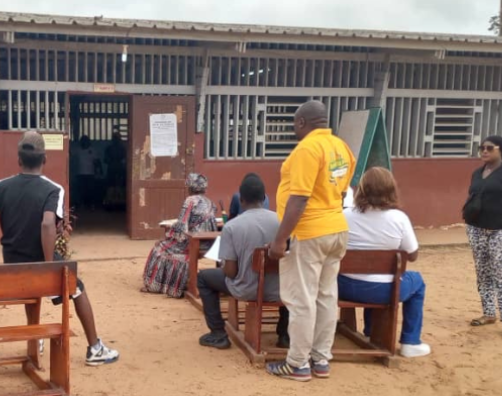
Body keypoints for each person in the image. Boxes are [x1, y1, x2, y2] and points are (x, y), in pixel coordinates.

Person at [0, 131, 119, 366]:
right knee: (78, 290)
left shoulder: (2, 186)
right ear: (44, 159)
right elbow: (47, 223)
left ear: (19, 160)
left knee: (32, 293)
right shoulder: (53, 189)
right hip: (40, 262)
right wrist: (48, 265)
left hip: (13, 263)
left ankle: (35, 339)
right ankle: (95, 348)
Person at [266, 100, 355, 381]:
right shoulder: (341, 148)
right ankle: (320, 359)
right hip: (337, 229)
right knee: (326, 297)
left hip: (308, 232)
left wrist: (280, 240)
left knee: (301, 299)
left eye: (295, 123)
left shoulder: (307, 149)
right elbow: (341, 193)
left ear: (302, 122)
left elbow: (300, 197)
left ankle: (297, 363)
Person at [337, 167, 431, 358]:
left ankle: (372, 330)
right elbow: (412, 255)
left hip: (342, 285)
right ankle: (410, 341)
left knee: (372, 277)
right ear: (391, 190)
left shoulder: (345, 215)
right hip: (382, 291)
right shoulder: (399, 219)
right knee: (417, 281)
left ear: (361, 189)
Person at [197, 174, 288, 349]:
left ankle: (218, 334)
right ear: (264, 198)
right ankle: (285, 335)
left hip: (247, 289)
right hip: (280, 291)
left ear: (242, 200)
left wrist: (224, 263)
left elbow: (231, 272)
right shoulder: (282, 221)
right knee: (293, 282)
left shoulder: (232, 227)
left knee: (204, 278)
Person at [141, 174, 217, 298]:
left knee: (159, 247)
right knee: (166, 245)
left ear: (191, 188)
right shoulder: (210, 203)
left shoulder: (190, 201)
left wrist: (169, 235)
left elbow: (181, 226)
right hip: (208, 244)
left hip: (192, 243)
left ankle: (156, 285)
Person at [463, 135, 502, 338]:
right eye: (481, 147)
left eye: (490, 148)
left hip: (501, 229)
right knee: (483, 273)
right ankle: (489, 313)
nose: (484, 151)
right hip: (476, 229)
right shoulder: (477, 173)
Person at [73, 135, 100, 210]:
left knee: (91, 190)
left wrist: (98, 171)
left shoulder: (92, 150)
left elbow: (97, 162)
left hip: (90, 174)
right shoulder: (78, 150)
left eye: (86, 141)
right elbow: (68, 153)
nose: (84, 142)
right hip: (80, 173)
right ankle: (81, 205)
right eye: (83, 141)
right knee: (81, 190)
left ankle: (91, 205)